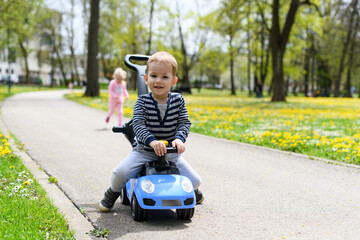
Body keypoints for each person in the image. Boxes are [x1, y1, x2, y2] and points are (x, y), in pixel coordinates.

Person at [99, 51, 203, 212]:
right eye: (154, 76)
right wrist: (152, 141)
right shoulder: (142, 101)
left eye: (164, 77)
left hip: (171, 152)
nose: (158, 81)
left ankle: (192, 191)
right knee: (120, 173)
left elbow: (184, 123)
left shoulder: (178, 100)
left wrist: (179, 139)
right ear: (146, 78)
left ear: (173, 81)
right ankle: (111, 193)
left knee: (196, 180)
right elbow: (138, 125)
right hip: (145, 151)